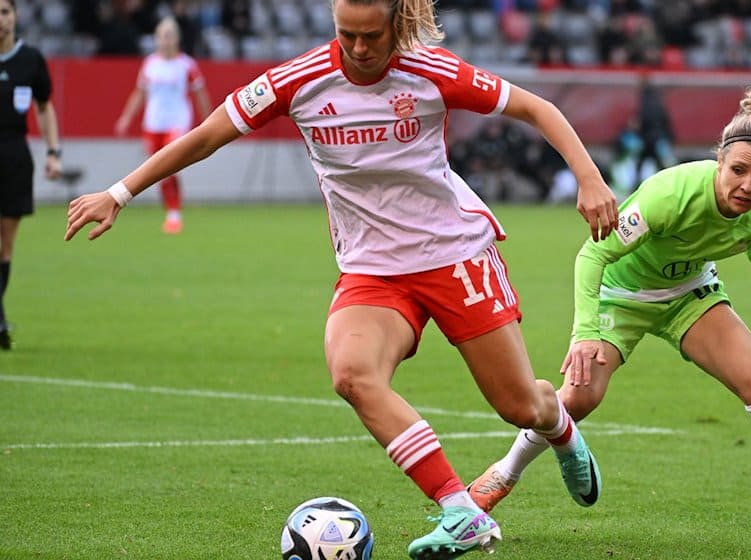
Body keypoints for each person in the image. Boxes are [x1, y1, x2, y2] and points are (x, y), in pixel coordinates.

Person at [65, 0, 619, 558]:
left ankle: (560, 432)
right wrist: (120, 192)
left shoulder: (431, 71)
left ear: (396, 24)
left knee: (522, 406)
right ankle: (460, 510)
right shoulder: (298, 80)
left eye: (372, 36)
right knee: (353, 375)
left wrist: (589, 177)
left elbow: (535, 107)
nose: (359, 49)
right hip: (373, 270)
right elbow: (208, 134)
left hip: (454, 257)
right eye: (346, 35)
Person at [468, 87, 751, 555]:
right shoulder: (672, 192)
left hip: (690, 296)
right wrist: (586, 333)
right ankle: (502, 474)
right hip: (621, 295)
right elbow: (593, 254)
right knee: (579, 400)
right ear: (718, 161)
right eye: (738, 170)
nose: (747, 185)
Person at [0, 0, 63, 350]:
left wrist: (53, 153)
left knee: (5, 246)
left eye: (5, 12)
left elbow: (44, 107)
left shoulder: (30, 60)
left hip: (14, 156)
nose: (0, 19)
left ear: (15, 17)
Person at [114, 16, 212, 234]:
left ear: (176, 39)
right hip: (153, 123)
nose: (166, 40)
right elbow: (140, 93)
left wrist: (208, 121)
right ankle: (170, 210)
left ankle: (174, 214)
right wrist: (126, 117)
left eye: (170, 36)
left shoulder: (186, 64)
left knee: (170, 167)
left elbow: (200, 93)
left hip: (177, 122)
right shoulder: (150, 64)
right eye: (162, 36)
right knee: (156, 169)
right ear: (157, 39)